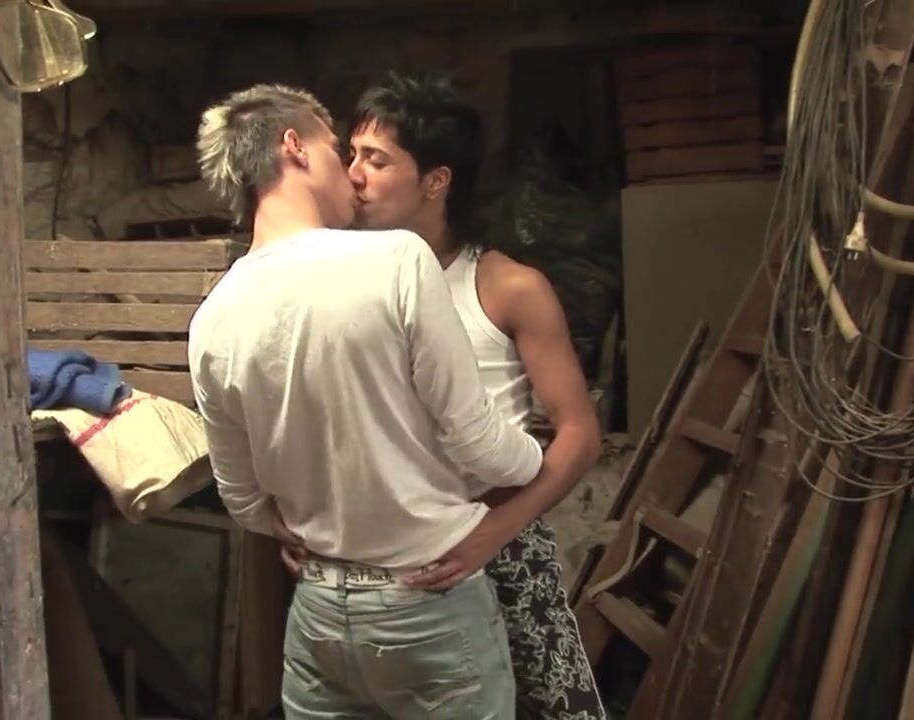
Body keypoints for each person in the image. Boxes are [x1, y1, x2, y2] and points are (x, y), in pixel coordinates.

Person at [189, 82, 543, 719]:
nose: (350, 174)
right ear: (295, 147)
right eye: (336, 150)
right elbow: (480, 445)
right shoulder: (398, 261)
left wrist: (293, 523)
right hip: (426, 604)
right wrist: (533, 458)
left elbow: (241, 498)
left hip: (319, 611)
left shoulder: (213, 316)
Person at [348, 72, 607, 720]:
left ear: (435, 181)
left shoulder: (505, 286)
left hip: (498, 545)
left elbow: (579, 434)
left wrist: (493, 535)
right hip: (383, 557)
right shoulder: (343, 285)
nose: (354, 175)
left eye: (376, 160)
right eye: (352, 155)